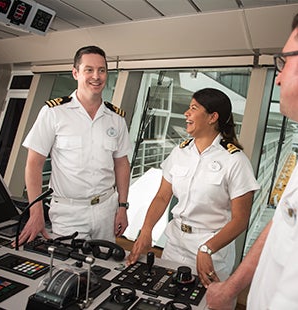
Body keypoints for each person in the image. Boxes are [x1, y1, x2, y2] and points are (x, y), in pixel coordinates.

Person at [206, 13, 298, 310]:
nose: (279, 76)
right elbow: (281, 223)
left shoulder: (235, 159)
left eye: (284, 62)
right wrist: (231, 288)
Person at [127, 87, 260, 287]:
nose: (186, 113)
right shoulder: (179, 152)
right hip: (174, 243)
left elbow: (240, 220)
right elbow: (163, 197)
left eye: (194, 108)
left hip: (211, 250)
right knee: (167, 293)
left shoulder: (235, 161)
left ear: (212, 117)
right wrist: (146, 231)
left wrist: (207, 248)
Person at [17, 45, 132, 246]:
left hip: (106, 210)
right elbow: (33, 164)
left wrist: (122, 206)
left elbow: (122, 164)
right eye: (89, 70)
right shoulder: (54, 112)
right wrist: (36, 212)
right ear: (75, 73)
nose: (96, 76)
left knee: (103, 270)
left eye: (102, 70)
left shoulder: (116, 118)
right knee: (68, 271)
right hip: (69, 213)